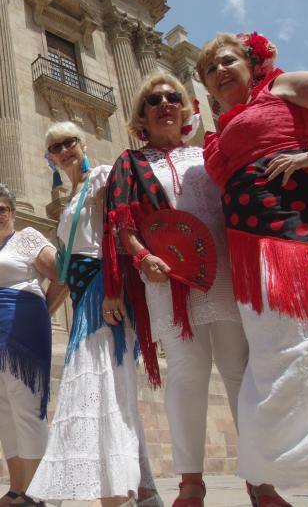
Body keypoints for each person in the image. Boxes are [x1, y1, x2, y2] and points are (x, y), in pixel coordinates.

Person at [102, 72, 255, 507]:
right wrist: (141, 257)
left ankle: (259, 480)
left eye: (173, 97)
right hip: (164, 277)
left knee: (239, 372)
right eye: (154, 100)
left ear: (187, 109)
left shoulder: (209, 155)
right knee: (186, 376)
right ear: (142, 117)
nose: (165, 103)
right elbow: (122, 222)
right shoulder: (129, 164)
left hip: (223, 272)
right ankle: (191, 483)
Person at [197, 32, 308, 507]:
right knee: (273, 355)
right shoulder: (218, 128)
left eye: (227, 61)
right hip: (249, 247)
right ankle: (285, 480)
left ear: (252, 64)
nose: (219, 73)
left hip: (301, 231)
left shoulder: (281, 88)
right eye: (210, 71)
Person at [26, 122, 161, 507]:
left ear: (83, 144)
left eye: (70, 142)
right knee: (109, 391)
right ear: (50, 158)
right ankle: (144, 490)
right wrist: (43, 313)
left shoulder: (103, 176)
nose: (64, 149)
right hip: (85, 296)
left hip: (107, 289)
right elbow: (66, 272)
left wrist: (115, 289)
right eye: (56, 147)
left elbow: (118, 230)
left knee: (100, 390)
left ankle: (115, 493)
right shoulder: (69, 202)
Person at [0, 183, 59, 507]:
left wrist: (43, 308)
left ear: (13, 212)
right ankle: (17, 489)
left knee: (26, 406)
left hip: (23, 326)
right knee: (4, 409)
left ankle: (39, 494)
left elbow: (60, 272)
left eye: (2, 209)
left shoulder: (27, 238)